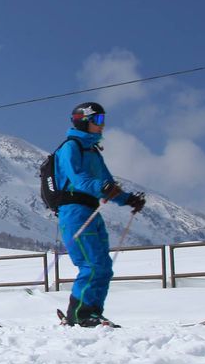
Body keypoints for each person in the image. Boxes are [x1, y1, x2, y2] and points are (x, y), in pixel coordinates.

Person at [53, 102, 146, 328]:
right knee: (91, 264)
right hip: (74, 211)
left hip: (91, 210)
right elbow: (78, 179)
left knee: (103, 265)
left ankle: (92, 312)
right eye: (99, 120)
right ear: (84, 120)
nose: (103, 126)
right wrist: (102, 188)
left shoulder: (92, 150)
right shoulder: (70, 147)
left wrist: (127, 199)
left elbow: (107, 183)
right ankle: (80, 315)